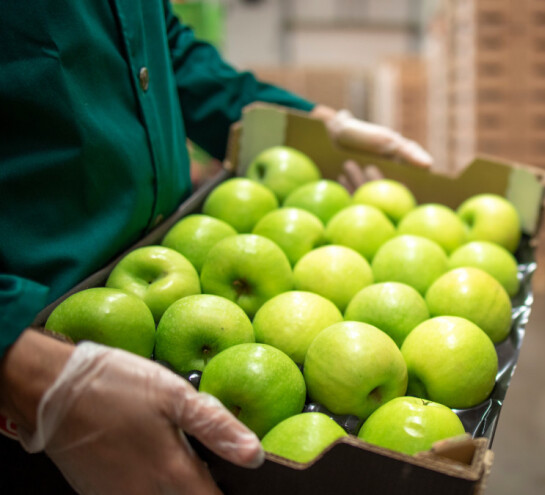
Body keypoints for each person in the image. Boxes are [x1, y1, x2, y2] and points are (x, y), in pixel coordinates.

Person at [0, 2, 431, 494]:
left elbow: (162, 48)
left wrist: (316, 122)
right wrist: (19, 361)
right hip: (33, 345)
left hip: (170, 258)